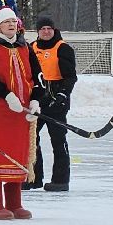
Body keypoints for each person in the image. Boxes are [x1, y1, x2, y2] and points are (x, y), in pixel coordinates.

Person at [0, 7, 44, 220]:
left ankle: (14, 203)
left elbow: (38, 75)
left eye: (14, 21)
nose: (11, 25)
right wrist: (6, 95)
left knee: (16, 155)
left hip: (20, 113)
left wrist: (36, 100)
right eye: (6, 22)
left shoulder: (26, 47)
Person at [28, 15, 78, 192]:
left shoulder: (62, 48)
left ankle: (60, 180)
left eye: (49, 28)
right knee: (31, 140)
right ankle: (33, 177)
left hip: (57, 99)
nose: (46, 31)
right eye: (43, 29)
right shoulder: (31, 48)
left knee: (58, 140)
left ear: (54, 30)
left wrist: (63, 95)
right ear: (38, 32)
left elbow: (71, 77)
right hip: (38, 98)